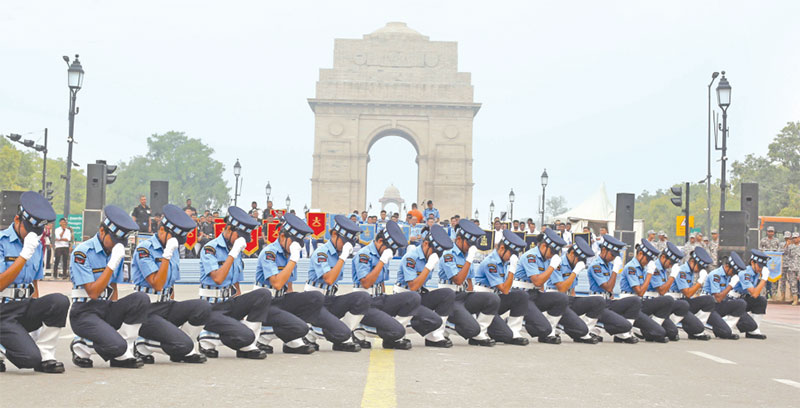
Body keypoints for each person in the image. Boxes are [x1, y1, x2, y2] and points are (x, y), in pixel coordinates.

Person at [68, 205, 150, 368]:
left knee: (141, 299)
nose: (116, 245)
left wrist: (115, 310)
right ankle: (81, 345)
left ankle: (123, 351)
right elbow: (93, 292)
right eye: (114, 240)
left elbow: (113, 287)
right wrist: (112, 264)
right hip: (85, 311)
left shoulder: (113, 251)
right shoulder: (82, 252)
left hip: (104, 308)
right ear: (102, 231)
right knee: (116, 346)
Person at [131, 204, 212, 364]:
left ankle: (182, 346)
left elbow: (170, 284)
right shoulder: (144, 249)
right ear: (162, 230)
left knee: (203, 307)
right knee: (185, 346)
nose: (176, 243)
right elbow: (157, 284)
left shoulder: (172, 248)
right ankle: (141, 343)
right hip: (147, 310)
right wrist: (166, 255)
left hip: (165, 305)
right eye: (174, 238)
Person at [0, 191, 68, 374]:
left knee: (59, 301)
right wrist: (23, 256)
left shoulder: (36, 245)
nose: (33, 235)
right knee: (29, 359)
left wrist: (37, 316)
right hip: (2, 310)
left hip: (23, 306)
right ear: (17, 219)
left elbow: (34, 285)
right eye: (29, 230)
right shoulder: (1, 242)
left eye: (37, 232)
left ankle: (47, 355)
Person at [196, 206, 270, 360]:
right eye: (239, 236)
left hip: (229, 303)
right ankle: (206, 336)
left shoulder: (235, 248)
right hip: (212, 307)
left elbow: (235, 283)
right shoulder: (210, 249)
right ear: (228, 229)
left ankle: (247, 343)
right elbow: (218, 278)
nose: (240, 241)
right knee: (242, 333)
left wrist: (241, 308)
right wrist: (232, 254)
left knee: (263, 294)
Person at [255, 214, 321, 355]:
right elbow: (277, 284)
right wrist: (293, 259)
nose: (295, 247)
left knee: (315, 297)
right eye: (293, 242)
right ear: (283, 237)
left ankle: (292, 338)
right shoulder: (269, 253)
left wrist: (294, 309)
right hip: (265, 304)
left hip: (280, 300)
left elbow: (288, 287)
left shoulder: (288, 254)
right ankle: (262, 335)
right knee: (300, 327)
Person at [306, 215, 370, 352]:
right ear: (334, 234)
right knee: (339, 330)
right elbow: (329, 279)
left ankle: (342, 335)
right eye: (345, 242)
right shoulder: (322, 252)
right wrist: (343, 256)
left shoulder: (339, 252)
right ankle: (310, 334)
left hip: (329, 299)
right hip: (314, 302)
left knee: (362, 298)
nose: (347, 247)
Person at [352, 221, 419, 349]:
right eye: (390, 249)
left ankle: (393, 334)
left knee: (413, 298)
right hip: (365, 302)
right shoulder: (364, 254)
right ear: (380, 241)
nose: (391, 253)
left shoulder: (382, 252)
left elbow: (381, 282)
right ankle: (357, 330)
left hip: (379, 298)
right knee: (398, 331)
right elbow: (366, 283)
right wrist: (382, 261)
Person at [437, 220, 499, 346]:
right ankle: (447, 326)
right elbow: (458, 280)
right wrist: (470, 259)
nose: (470, 247)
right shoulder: (449, 254)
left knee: (492, 299)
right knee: (472, 329)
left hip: (463, 295)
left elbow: (469, 281)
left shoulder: (466, 254)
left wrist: (474, 302)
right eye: (468, 244)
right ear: (459, 239)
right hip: (449, 297)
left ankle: (480, 332)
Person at [397, 224, 455, 348]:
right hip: (405, 298)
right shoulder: (411, 258)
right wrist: (429, 266)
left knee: (447, 294)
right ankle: (398, 329)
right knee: (433, 320)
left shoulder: (429, 256)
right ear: (425, 244)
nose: (436, 256)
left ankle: (434, 337)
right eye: (435, 252)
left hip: (418, 296)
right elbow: (412, 286)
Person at [474, 230, 533, 345]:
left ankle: (514, 329)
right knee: (506, 336)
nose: (512, 257)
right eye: (511, 254)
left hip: (495, 299)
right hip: (484, 303)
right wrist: (512, 268)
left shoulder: (504, 262)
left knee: (521, 295)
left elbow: (507, 290)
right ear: (502, 248)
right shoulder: (491, 263)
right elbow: (505, 289)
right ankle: (481, 330)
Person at [514, 229, 570, 344]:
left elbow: (542, 285)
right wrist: (552, 266)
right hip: (522, 295)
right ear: (544, 246)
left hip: (534, 294)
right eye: (553, 252)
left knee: (562, 298)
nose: (553, 256)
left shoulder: (545, 258)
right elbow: (537, 282)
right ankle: (520, 322)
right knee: (543, 328)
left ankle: (550, 332)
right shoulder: (531, 256)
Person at [548, 237, 605, 344]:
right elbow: (562, 289)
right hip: (556, 302)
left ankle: (584, 330)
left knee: (599, 301)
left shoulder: (573, 264)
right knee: (580, 330)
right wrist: (574, 272)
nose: (580, 263)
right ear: (572, 253)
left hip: (568, 300)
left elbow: (572, 291)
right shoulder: (558, 264)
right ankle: (577, 330)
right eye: (579, 259)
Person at [587, 234, 641, 343]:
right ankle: (594, 330)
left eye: (615, 256)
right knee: (623, 323)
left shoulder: (609, 265)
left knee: (634, 301)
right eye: (612, 254)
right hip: (597, 303)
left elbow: (610, 290)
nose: (613, 258)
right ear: (603, 250)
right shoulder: (596, 266)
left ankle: (623, 334)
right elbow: (608, 287)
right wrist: (616, 270)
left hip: (607, 302)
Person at [618, 239, 671, 343]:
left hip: (637, 303)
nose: (648, 262)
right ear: (640, 254)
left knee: (660, 331)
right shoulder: (631, 267)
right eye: (647, 259)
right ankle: (625, 332)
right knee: (658, 333)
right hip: (628, 303)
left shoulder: (642, 268)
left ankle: (638, 329)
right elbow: (640, 292)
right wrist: (650, 274)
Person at [665, 245, 715, 340]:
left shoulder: (691, 272)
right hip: (674, 303)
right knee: (673, 332)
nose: (699, 270)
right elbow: (688, 293)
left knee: (709, 300)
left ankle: (698, 328)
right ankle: (672, 324)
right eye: (699, 267)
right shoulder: (682, 271)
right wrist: (700, 281)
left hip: (684, 302)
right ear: (692, 261)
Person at [702, 252, 751, 339]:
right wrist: (731, 285)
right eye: (734, 271)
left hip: (718, 306)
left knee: (741, 304)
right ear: (727, 266)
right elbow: (718, 298)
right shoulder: (715, 275)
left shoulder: (728, 275)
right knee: (725, 333)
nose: (734, 274)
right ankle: (710, 324)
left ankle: (728, 326)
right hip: (708, 307)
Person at [730, 250, 771, 339]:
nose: (760, 269)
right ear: (752, 262)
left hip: (742, 300)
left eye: (763, 267)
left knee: (761, 301)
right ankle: (727, 322)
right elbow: (754, 293)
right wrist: (764, 279)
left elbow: (755, 296)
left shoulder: (755, 273)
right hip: (732, 302)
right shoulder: (745, 273)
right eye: (759, 266)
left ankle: (752, 332)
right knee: (749, 324)